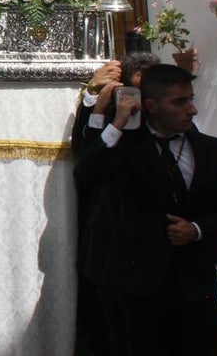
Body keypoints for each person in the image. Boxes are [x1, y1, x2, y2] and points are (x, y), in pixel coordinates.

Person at [75, 63, 217, 356]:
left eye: (191, 99)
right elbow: (86, 174)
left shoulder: (210, 149)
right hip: (137, 288)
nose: (191, 109)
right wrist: (116, 123)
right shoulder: (123, 149)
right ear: (150, 105)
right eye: (180, 102)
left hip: (195, 287)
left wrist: (196, 230)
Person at [70, 54, 157, 356]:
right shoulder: (113, 124)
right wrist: (98, 101)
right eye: (134, 94)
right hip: (108, 253)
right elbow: (86, 158)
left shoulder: (170, 133)